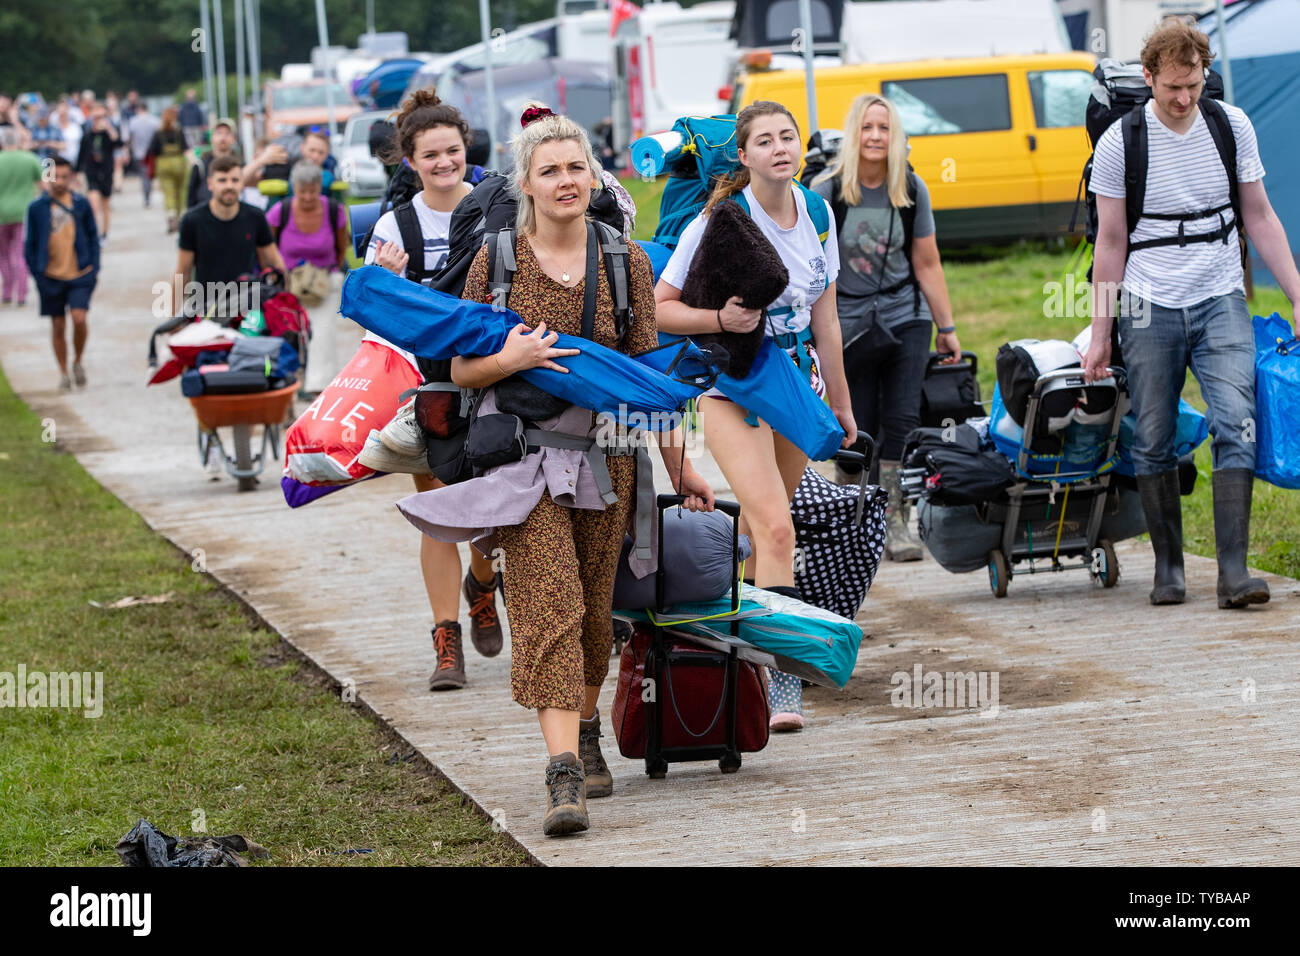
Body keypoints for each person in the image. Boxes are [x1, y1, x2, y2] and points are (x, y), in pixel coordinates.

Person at [404, 107, 713, 835]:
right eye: (551, 171)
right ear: (527, 186)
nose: (566, 180)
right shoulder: (498, 259)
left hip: (610, 464)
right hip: (527, 463)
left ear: (594, 178)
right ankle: (561, 774)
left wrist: (682, 464)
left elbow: (648, 380)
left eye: (577, 168)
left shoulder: (625, 259)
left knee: (597, 620)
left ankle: (586, 728)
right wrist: (508, 360)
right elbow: (458, 363)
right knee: (549, 605)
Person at [1083, 16, 1300, 609]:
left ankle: (1235, 572)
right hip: (1149, 301)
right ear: (1149, 77)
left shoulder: (1232, 125)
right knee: (1152, 436)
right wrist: (1101, 334)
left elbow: (1258, 215)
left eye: (1194, 85)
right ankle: (1168, 565)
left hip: (1221, 293)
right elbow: (1110, 242)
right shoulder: (1120, 142)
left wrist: (1297, 293)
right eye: (1172, 86)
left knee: (1237, 421)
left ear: (1206, 76)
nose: (1183, 99)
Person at [655, 100, 856, 734]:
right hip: (735, 385)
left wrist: (842, 405)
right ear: (743, 156)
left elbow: (826, 319)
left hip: (798, 386)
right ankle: (782, 681)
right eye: (764, 140)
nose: (779, 148)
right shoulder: (720, 220)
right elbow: (660, 310)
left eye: (788, 137)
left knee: (765, 536)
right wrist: (720, 320)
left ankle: (735, 636)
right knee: (775, 530)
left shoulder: (820, 212)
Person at [362, 90, 505, 692]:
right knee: (438, 515)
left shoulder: (498, 206)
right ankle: (447, 640)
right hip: (431, 388)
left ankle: (483, 585)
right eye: (431, 155)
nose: (445, 162)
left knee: (490, 514)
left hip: (498, 379)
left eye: (453, 150)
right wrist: (388, 283)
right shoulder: (395, 227)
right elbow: (373, 318)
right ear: (410, 161)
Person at [812, 93, 963, 562]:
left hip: (905, 317)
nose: (876, 136)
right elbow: (813, 267)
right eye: (867, 127)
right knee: (853, 423)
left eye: (885, 128)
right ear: (854, 135)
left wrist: (947, 325)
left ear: (896, 138)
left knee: (900, 420)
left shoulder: (911, 188)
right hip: (847, 324)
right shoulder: (827, 190)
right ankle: (849, 519)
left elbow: (927, 261)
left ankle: (895, 520)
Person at [23, 156, 99, 390]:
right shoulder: (36, 208)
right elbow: (30, 245)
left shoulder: (81, 204)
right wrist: (38, 274)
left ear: (72, 177)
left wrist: (94, 268)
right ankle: (64, 372)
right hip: (51, 275)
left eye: (65, 176)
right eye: (55, 176)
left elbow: (93, 237)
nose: (60, 182)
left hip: (80, 272)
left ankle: (77, 360)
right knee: (57, 325)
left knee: (79, 318)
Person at [0, 127, 44, 307]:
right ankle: (22, 293)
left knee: (3, 255)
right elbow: (45, 183)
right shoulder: (29, 159)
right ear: (18, 141)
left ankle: (7, 290)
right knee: (20, 254)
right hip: (24, 213)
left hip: (1, 214)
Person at [76, 106, 119, 241]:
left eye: (102, 117)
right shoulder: (88, 135)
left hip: (106, 172)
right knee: (93, 205)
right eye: (96, 117)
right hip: (92, 172)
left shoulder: (108, 134)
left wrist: (109, 128)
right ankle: (94, 233)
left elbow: (118, 143)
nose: (99, 120)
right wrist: (77, 172)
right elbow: (81, 155)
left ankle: (104, 233)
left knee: (105, 205)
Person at [186, 118, 241, 210]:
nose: (223, 137)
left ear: (233, 138)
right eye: (219, 133)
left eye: (227, 133)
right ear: (212, 137)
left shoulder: (240, 165)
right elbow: (191, 197)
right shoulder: (201, 165)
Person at [149, 107, 188, 233]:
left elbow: (152, 150)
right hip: (179, 163)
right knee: (181, 191)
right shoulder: (178, 131)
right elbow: (185, 148)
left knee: (168, 192)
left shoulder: (158, 133)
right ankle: (182, 216)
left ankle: (171, 217)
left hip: (163, 164)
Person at [127, 103, 160, 208]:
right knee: (149, 175)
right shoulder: (155, 121)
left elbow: (130, 138)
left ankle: (146, 197)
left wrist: (129, 150)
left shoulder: (133, 122)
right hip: (151, 153)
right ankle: (147, 196)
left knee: (144, 175)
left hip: (138, 153)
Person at [54, 101, 82, 165]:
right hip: (58, 162)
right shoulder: (54, 128)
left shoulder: (75, 128)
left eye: (64, 114)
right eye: (60, 114)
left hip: (73, 161)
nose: (62, 116)